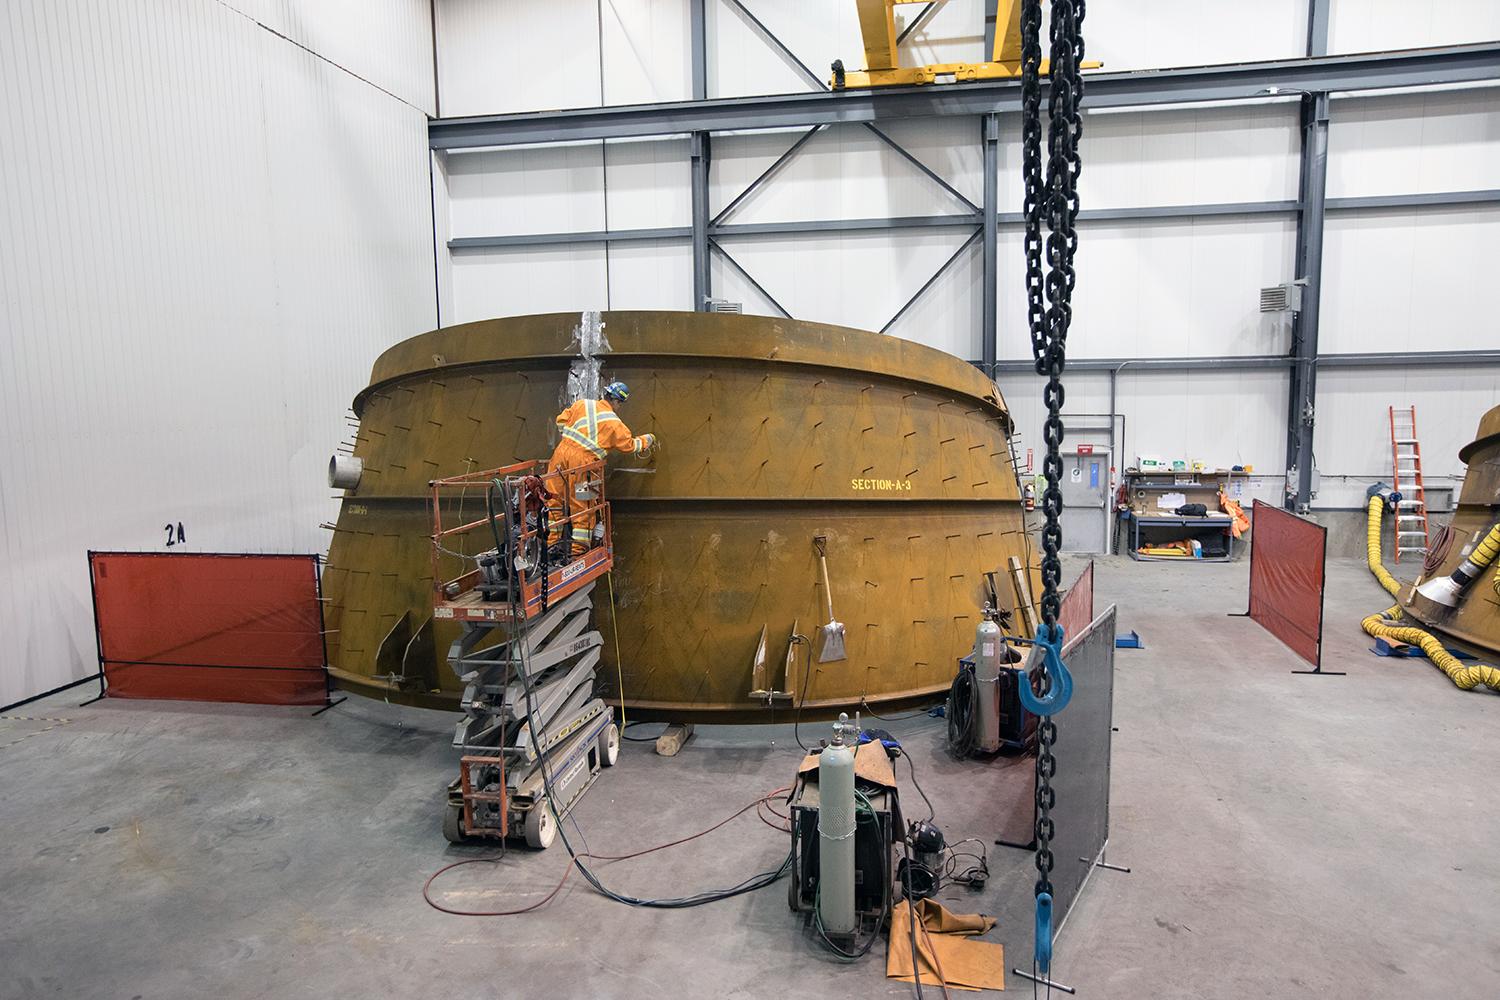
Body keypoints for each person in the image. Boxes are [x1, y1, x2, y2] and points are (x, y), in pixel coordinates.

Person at [546, 381, 656, 555]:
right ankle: (577, 553)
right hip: (584, 464)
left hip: (560, 455)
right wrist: (647, 440)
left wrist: (571, 440)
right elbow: (630, 446)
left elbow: (561, 421)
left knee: (554, 498)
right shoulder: (615, 424)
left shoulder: (582, 404)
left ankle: (551, 545)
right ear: (617, 402)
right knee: (584, 506)